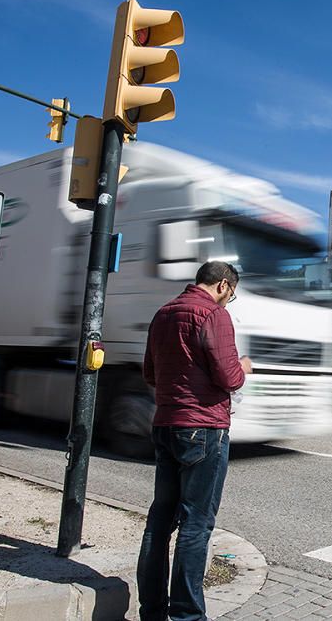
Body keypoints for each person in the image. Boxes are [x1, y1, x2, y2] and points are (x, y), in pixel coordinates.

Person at [137, 261, 252, 621]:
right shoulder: (213, 315)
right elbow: (229, 377)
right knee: (195, 525)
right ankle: (187, 616)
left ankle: (152, 611)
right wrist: (245, 367)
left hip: (166, 423)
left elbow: (150, 373)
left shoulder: (163, 313)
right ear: (222, 285)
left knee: (159, 520)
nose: (229, 301)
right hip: (204, 427)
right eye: (231, 295)